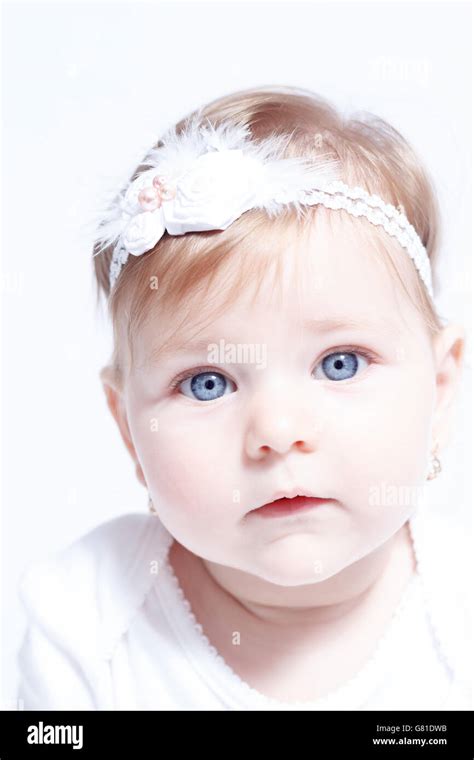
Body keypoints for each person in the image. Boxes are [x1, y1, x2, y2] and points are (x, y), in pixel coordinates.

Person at [17, 85, 471, 710]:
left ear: (440, 390)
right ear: (128, 430)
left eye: (339, 365)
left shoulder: (460, 617)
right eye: (208, 383)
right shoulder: (87, 618)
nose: (277, 432)